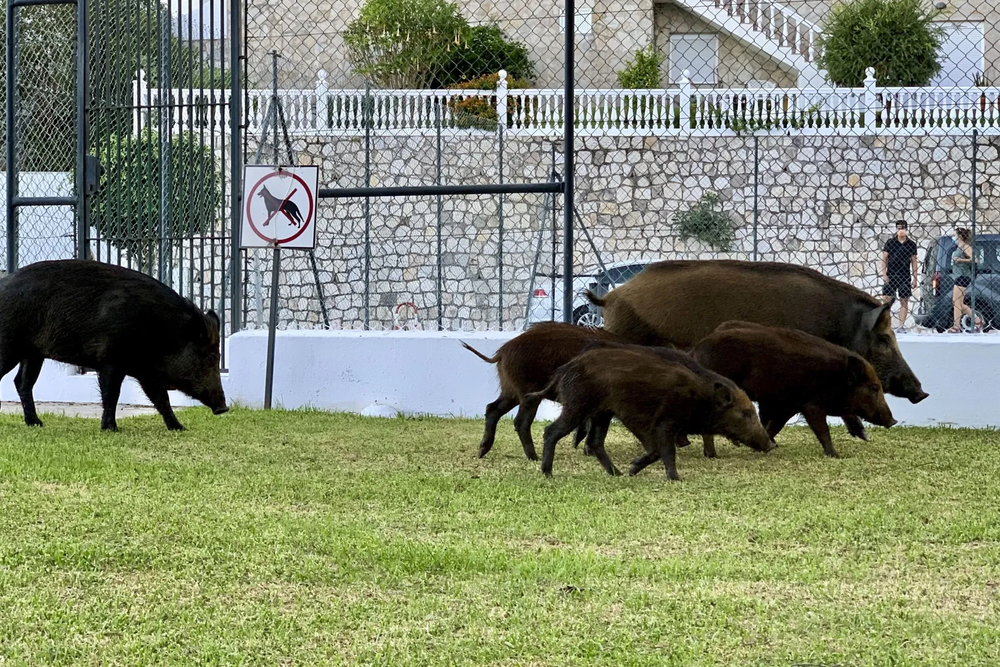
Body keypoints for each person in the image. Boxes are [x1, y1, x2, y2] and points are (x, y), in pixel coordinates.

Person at [881, 220, 918, 332]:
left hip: (905, 276)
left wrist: (915, 278)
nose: (900, 230)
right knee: (887, 300)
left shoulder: (911, 244)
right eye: (898, 228)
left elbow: (914, 261)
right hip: (891, 274)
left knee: (904, 300)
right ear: (896, 229)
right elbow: (884, 259)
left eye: (902, 228)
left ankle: (901, 326)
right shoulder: (890, 242)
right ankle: (885, 325)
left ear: (906, 229)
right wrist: (884, 274)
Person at [949, 227, 982, 333]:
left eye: (954, 235)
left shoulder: (965, 247)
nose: (953, 236)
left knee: (956, 302)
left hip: (963, 276)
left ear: (959, 236)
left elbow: (975, 259)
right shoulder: (958, 248)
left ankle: (956, 326)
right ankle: (977, 320)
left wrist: (961, 260)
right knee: (959, 303)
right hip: (958, 276)